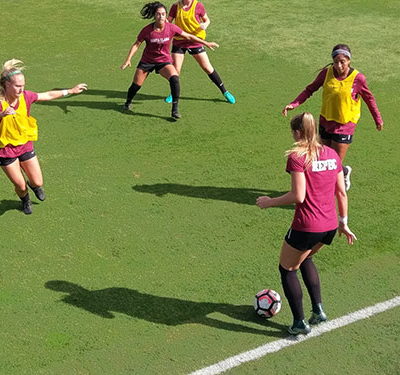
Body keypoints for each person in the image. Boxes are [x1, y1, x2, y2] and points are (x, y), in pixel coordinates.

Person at [256, 112, 357, 335]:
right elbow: (341, 192)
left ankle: (299, 322)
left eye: (292, 132)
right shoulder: (332, 154)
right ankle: (318, 310)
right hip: (329, 225)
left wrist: (270, 202)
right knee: (307, 258)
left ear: (298, 133)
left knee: (287, 269)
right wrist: (344, 222)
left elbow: (298, 196)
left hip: (307, 225)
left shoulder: (297, 158)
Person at [0, 59, 87, 215]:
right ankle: (25, 200)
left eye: (23, 85)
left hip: (24, 144)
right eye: (17, 86)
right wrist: (2, 114)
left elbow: (46, 95)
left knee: (38, 182)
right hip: (4, 149)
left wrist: (71, 91)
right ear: (7, 85)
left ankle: (34, 186)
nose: (21, 89)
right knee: (20, 185)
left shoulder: (26, 96)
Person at [282, 44, 383, 190]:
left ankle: (323, 193)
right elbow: (310, 89)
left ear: (349, 60)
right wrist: (294, 104)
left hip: (345, 125)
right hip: (326, 121)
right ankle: (344, 172)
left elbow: (369, 99)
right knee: (322, 160)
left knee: (331, 164)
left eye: (342, 61)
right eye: (336, 62)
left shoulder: (358, 78)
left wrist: (377, 119)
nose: (339, 65)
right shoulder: (326, 73)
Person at [120, 1, 219, 120]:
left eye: (163, 14)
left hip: (163, 61)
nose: (160, 16)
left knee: (175, 78)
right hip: (147, 61)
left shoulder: (171, 28)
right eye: (158, 14)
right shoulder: (147, 30)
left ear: (166, 15)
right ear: (154, 16)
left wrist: (206, 43)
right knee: (136, 86)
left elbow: (188, 36)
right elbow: (136, 44)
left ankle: (174, 110)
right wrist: (128, 60)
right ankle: (128, 102)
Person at [164, 0, 235, 104]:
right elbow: (168, 22)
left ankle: (225, 91)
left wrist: (205, 25)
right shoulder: (175, 6)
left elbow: (207, 20)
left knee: (207, 67)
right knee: (176, 71)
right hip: (179, 41)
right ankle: (173, 93)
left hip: (196, 41)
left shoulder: (198, 5)